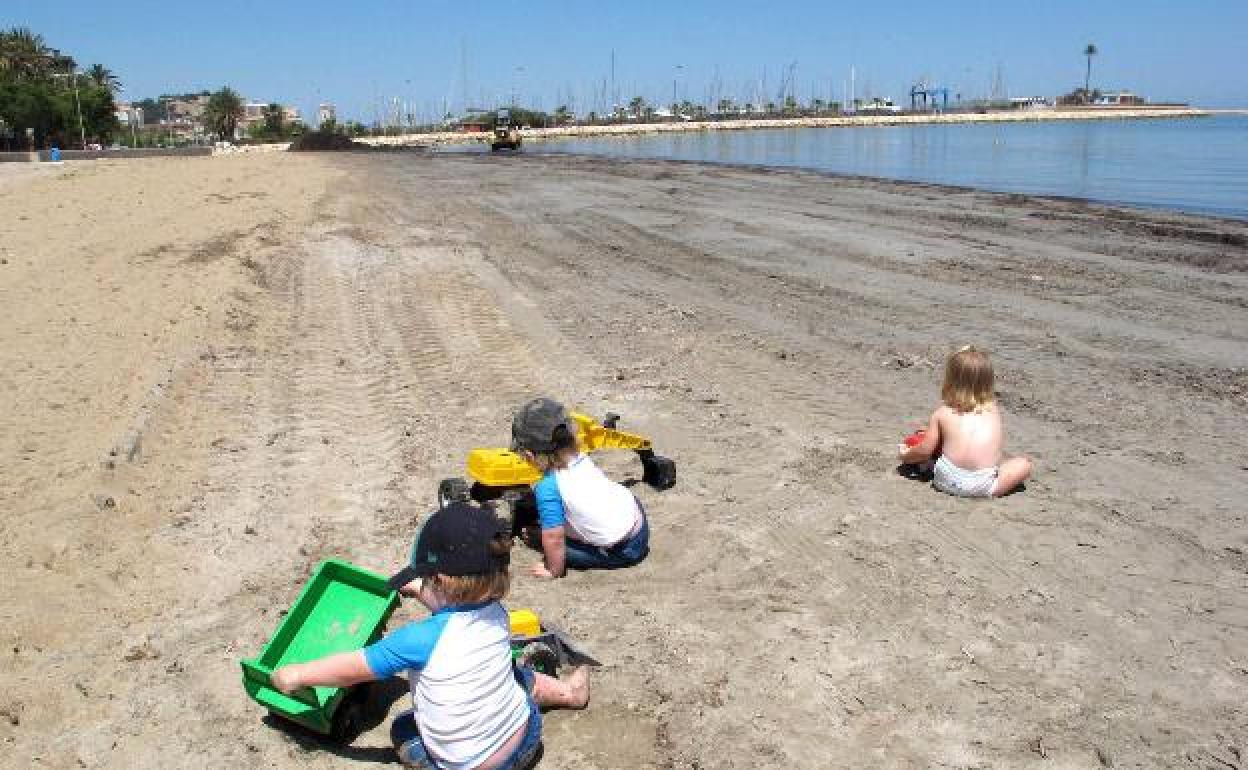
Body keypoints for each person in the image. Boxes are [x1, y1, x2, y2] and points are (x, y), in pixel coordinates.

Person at [270, 502, 589, 769]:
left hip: (468, 765)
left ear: (438, 581)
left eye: (424, 581)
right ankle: (569, 693)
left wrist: (298, 674)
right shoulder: (497, 612)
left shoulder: (415, 641)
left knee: (403, 729)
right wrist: (422, 591)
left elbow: (350, 669)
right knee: (518, 677)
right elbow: (457, 607)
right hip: (526, 741)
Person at [510, 397, 649, 578]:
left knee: (554, 545)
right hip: (639, 527)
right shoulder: (581, 456)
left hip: (622, 551)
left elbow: (554, 537)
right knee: (611, 495)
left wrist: (553, 569)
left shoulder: (547, 487)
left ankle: (558, 560)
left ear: (529, 456)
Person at [898, 346, 1032, 498]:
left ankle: (928, 465)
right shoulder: (993, 410)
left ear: (950, 381)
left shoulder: (942, 413)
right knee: (1024, 463)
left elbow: (924, 451)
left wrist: (905, 455)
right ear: (988, 383)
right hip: (982, 486)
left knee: (928, 438)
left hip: (944, 480)